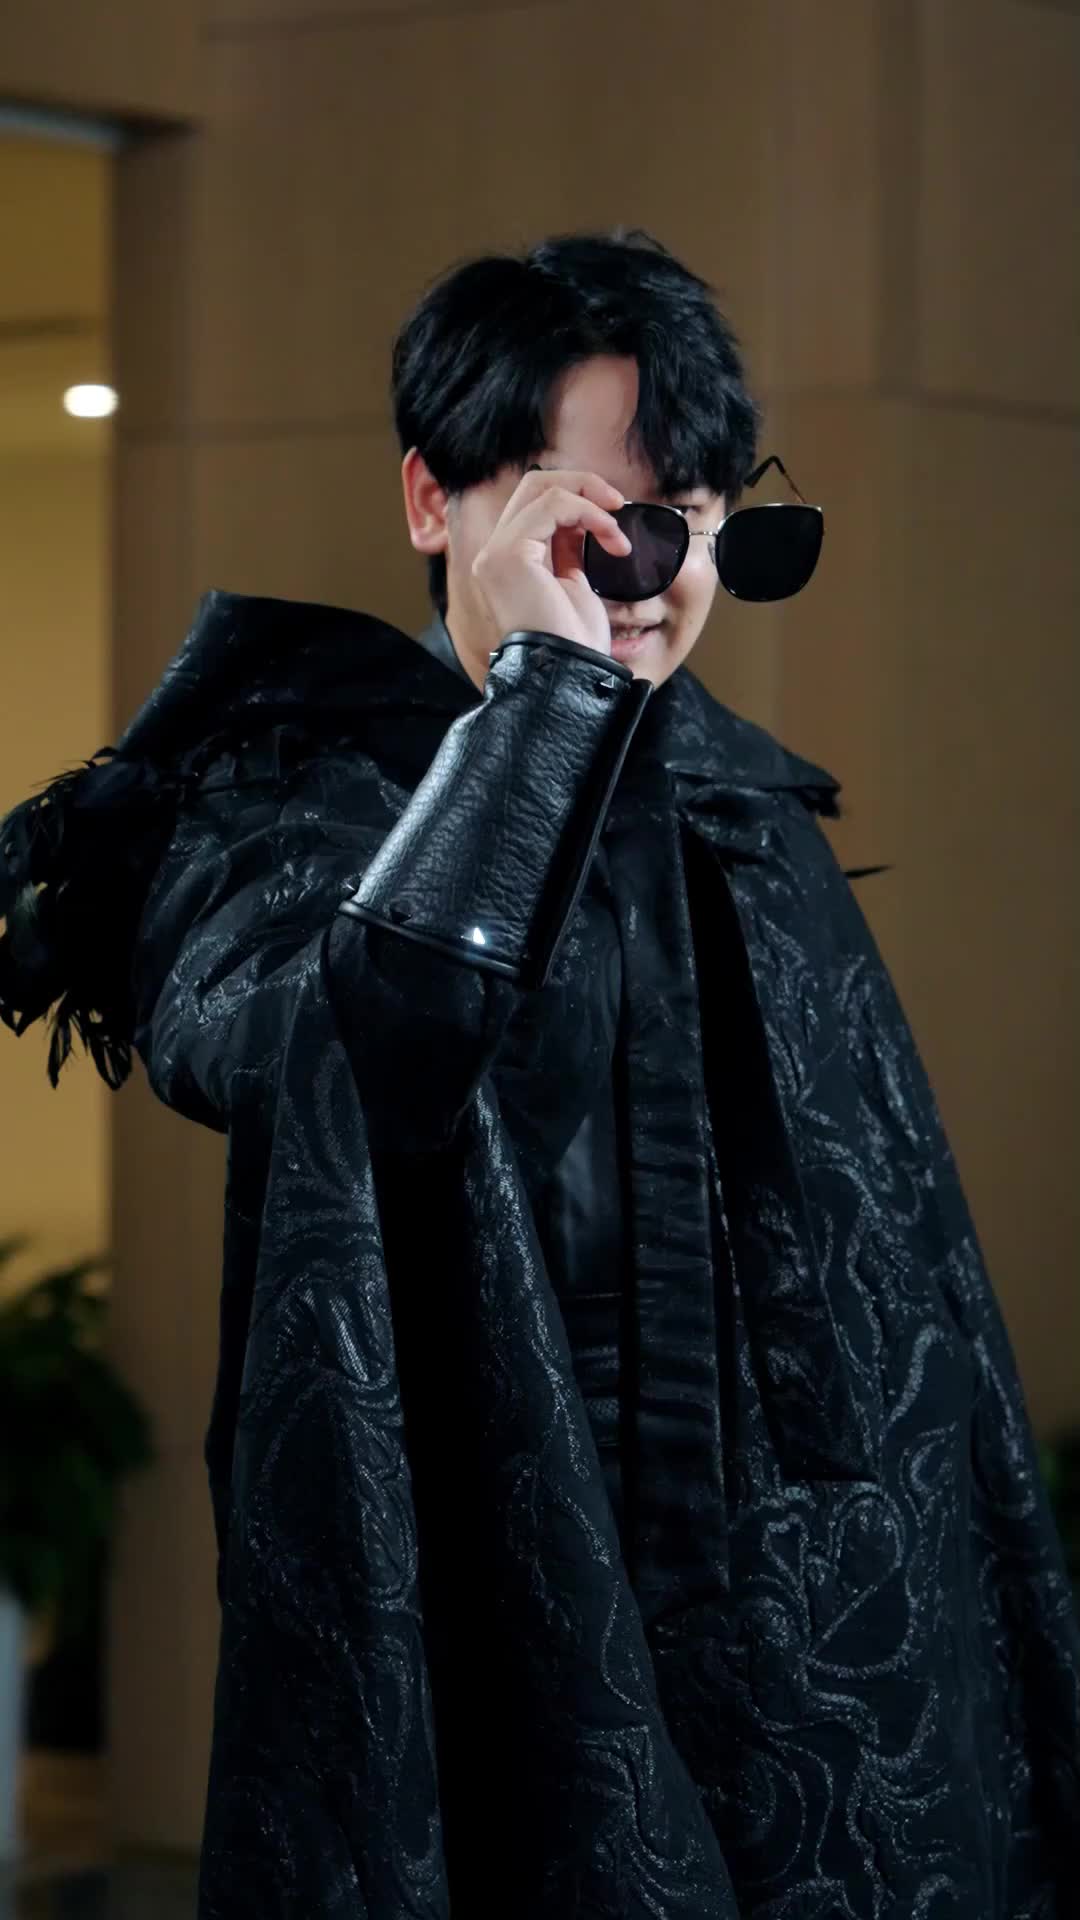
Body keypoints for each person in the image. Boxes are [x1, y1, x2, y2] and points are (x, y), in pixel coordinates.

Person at [1, 229, 1077, 1919]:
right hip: (484, 1618)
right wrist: (542, 699)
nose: (647, 578)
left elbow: (912, 1316)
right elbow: (352, 1066)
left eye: (691, 524)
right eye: (596, 517)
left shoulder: (743, 814)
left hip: (810, 1642)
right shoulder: (289, 798)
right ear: (434, 501)